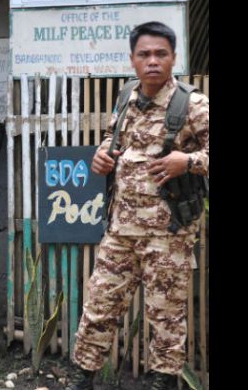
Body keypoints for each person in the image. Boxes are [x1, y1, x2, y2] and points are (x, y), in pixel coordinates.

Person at [65, 22, 209, 390]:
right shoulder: (126, 95)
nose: (153, 61)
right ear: (132, 60)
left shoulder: (192, 104)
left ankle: (163, 381)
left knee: (166, 317)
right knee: (99, 306)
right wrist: (101, 156)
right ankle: (82, 376)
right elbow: (114, 142)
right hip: (121, 229)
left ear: (174, 58)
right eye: (144, 54)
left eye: (161, 54)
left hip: (169, 234)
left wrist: (187, 162)